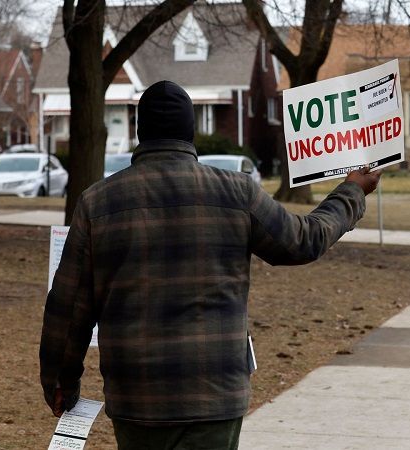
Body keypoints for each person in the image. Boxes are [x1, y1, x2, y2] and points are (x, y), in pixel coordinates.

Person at [39, 80, 381, 449]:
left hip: (137, 397)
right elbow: (303, 240)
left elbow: (69, 305)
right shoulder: (237, 193)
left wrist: (61, 382)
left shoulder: (98, 203)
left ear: (141, 132)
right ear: (191, 132)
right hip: (215, 394)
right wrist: (352, 191)